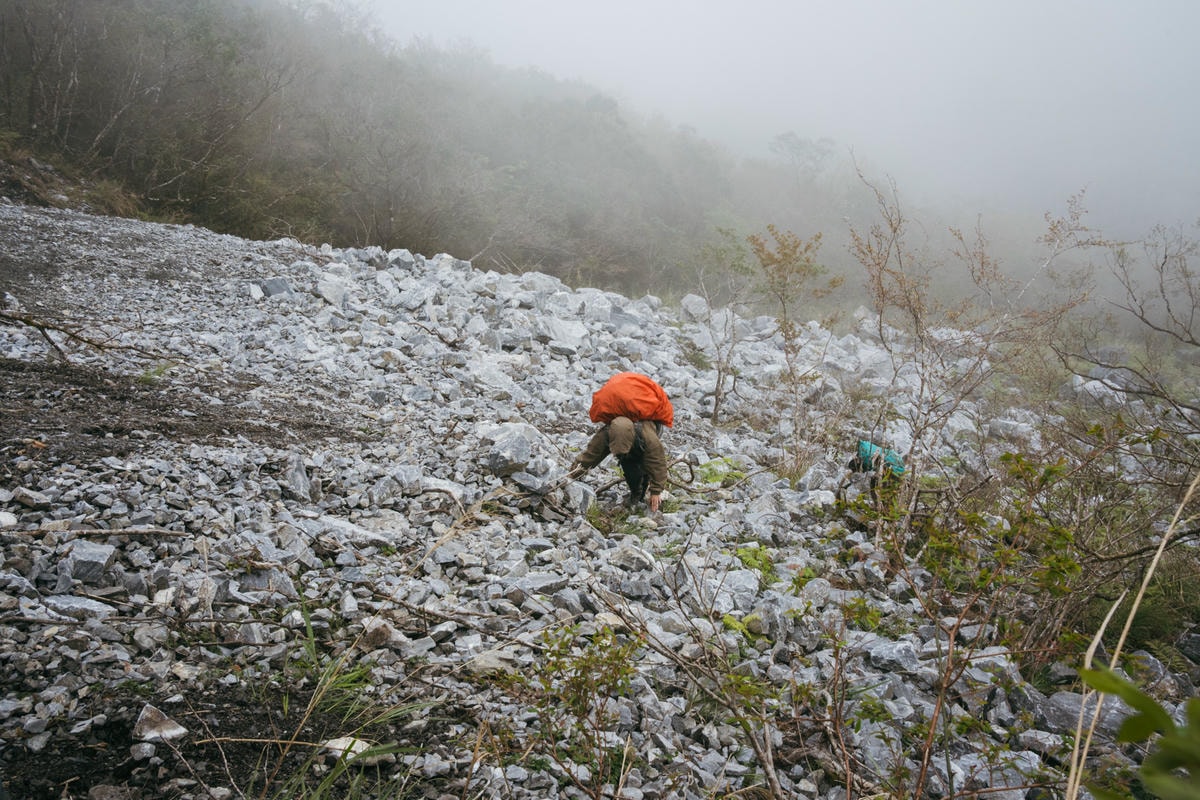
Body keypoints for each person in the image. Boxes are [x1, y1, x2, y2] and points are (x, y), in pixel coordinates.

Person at [570, 372, 672, 512]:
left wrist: (656, 491)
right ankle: (636, 493)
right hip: (625, 434)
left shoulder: (647, 435)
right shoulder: (607, 433)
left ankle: (641, 491)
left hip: (649, 427)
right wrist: (571, 475)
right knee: (628, 464)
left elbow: (657, 461)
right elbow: (590, 455)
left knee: (643, 461)